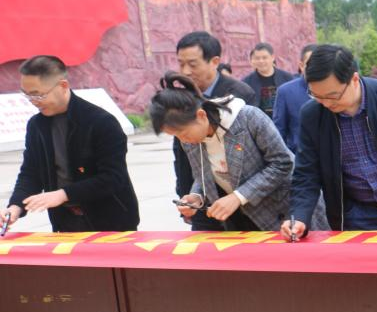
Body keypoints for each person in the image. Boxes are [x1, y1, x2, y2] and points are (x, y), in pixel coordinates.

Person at [280, 45, 377, 238]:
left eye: (332, 96)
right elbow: (307, 173)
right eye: (317, 96)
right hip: (353, 216)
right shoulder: (313, 115)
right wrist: (299, 216)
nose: (326, 103)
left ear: (354, 80)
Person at [5, 55, 140, 232]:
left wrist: (63, 194)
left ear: (63, 86)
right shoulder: (36, 125)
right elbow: (31, 172)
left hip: (111, 221)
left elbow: (113, 178)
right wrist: (15, 207)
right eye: (27, 95)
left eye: (38, 95)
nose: (33, 101)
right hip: (65, 221)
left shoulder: (101, 122)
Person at [150, 84, 304, 232]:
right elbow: (205, 172)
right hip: (239, 221)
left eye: (184, 133)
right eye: (176, 136)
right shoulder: (190, 140)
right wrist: (197, 196)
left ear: (201, 116)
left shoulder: (248, 118)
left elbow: (283, 163)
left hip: (284, 213)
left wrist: (238, 196)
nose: (183, 140)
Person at [174, 31, 258, 229]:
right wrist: (186, 194)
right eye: (181, 64)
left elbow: (253, 155)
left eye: (192, 64)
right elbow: (182, 155)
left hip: (240, 201)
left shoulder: (239, 95)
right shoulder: (181, 98)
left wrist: (238, 196)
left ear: (214, 62)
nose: (185, 71)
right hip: (201, 200)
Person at [272, 44, 317, 154]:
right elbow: (279, 130)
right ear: (301, 65)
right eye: (311, 64)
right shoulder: (286, 92)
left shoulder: (334, 88)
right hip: (298, 156)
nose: (316, 68)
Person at [242, 42, 295, 115]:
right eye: (257, 58)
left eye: (264, 57)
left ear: (272, 57)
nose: (261, 61)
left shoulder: (287, 78)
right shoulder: (246, 82)